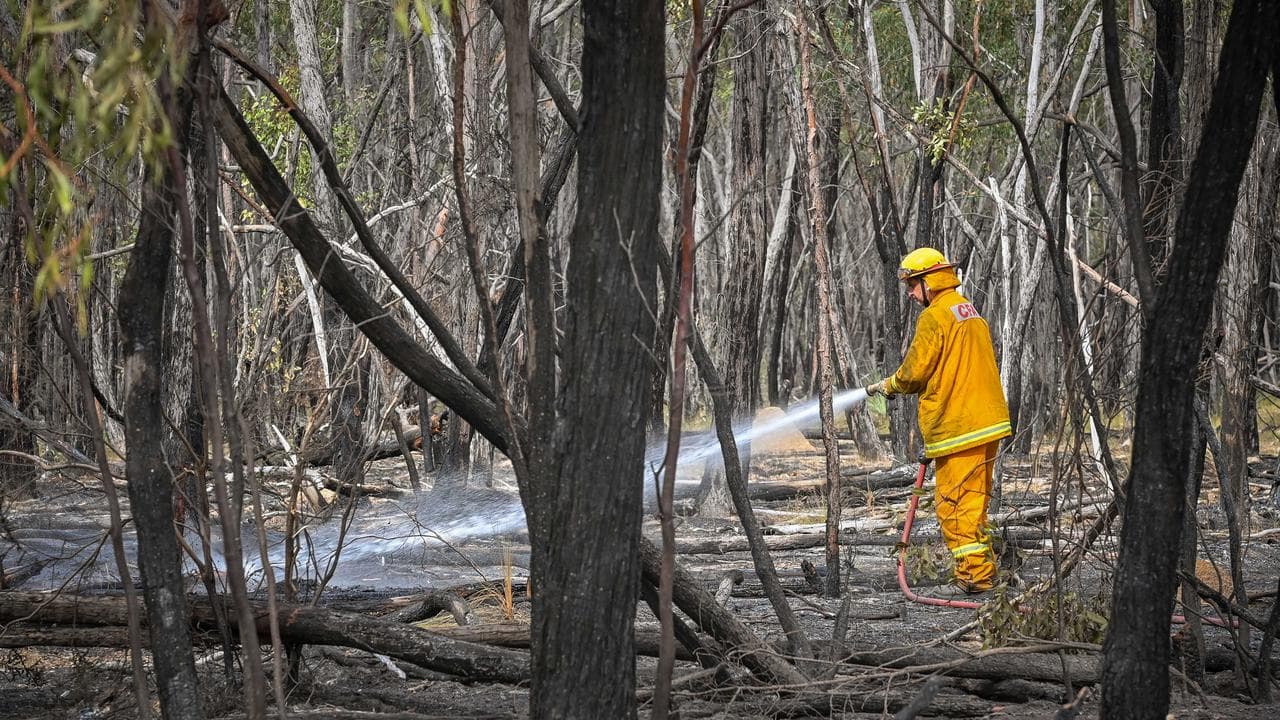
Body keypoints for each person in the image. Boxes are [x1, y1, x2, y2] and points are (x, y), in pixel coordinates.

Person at [866, 248, 1011, 596]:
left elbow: (915, 372)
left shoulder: (936, 316)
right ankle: (982, 573)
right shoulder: (968, 311)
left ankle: (975, 579)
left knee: (954, 506)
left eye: (914, 286)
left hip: (961, 425)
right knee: (973, 505)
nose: (911, 294)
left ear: (930, 281)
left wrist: (889, 385)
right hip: (985, 421)